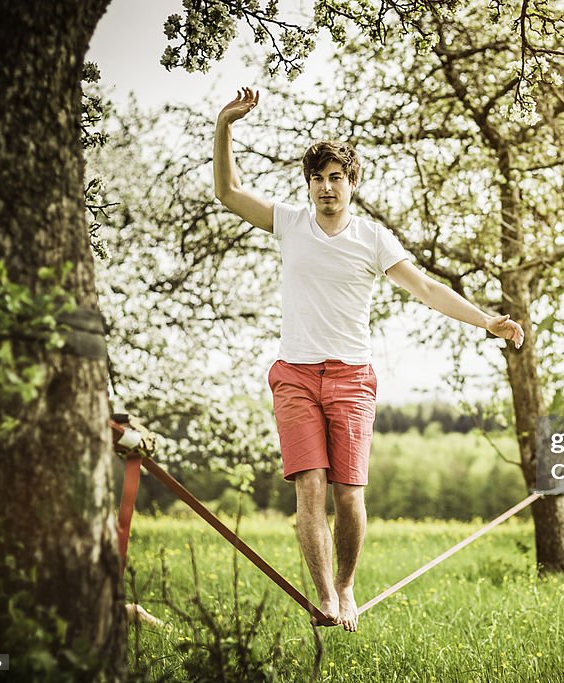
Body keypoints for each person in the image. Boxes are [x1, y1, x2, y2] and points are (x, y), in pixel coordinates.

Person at [212, 87, 524, 632]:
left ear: (352, 184)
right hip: (295, 375)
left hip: (352, 378)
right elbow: (229, 191)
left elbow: (427, 289)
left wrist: (486, 321)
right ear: (308, 186)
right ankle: (326, 596)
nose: (326, 187)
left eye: (336, 177)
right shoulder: (289, 223)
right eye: (317, 178)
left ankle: (349, 586)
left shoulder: (373, 239)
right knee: (310, 487)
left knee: (348, 494)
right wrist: (225, 125)